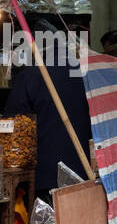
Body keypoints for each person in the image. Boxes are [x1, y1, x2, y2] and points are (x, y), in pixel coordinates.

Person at [6, 20, 95, 200]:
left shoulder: (31, 77)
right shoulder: (87, 73)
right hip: (86, 173)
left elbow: (13, 126)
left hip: (46, 176)